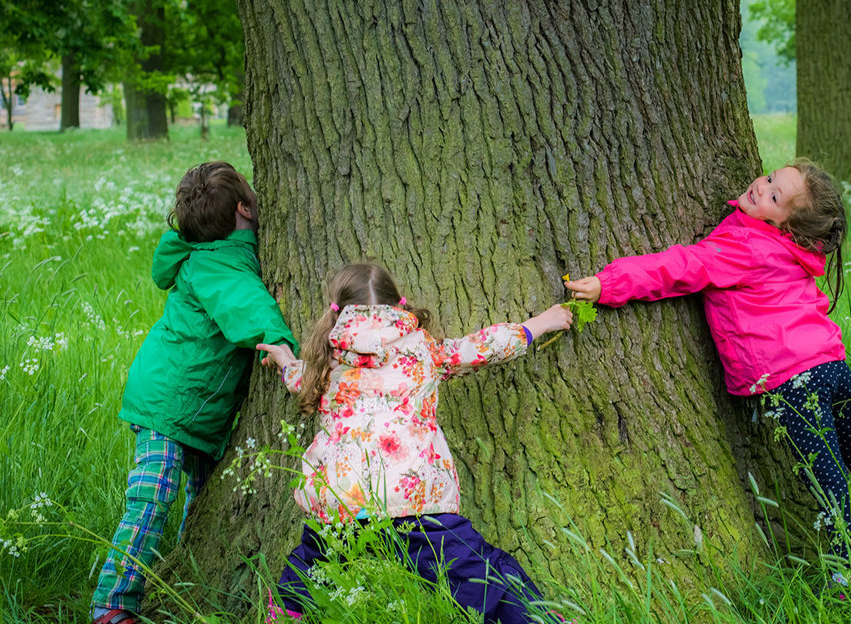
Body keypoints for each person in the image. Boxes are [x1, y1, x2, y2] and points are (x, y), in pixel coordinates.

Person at [566, 159, 851, 587]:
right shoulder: (792, 250)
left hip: (796, 380)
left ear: (787, 225)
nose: (762, 187)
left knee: (826, 474)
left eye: (775, 196)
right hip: (832, 366)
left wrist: (610, 284)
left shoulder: (746, 246)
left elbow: (681, 266)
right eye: (771, 178)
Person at [256, 263, 572, 623]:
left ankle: (286, 613)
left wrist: (284, 361)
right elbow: (483, 347)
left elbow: (299, 380)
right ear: (399, 304)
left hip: (340, 498)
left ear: (337, 308)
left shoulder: (326, 360)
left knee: (309, 566)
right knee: (481, 572)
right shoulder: (423, 350)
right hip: (415, 500)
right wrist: (541, 322)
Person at [91, 162, 298, 624]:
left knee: (203, 501)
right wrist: (283, 343)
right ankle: (112, 604)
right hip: (169, 402)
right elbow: (244, 304)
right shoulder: (219, 262)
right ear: (244, 207)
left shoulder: (200, 246)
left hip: (196, 407)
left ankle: (187, 573)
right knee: (152, 496)